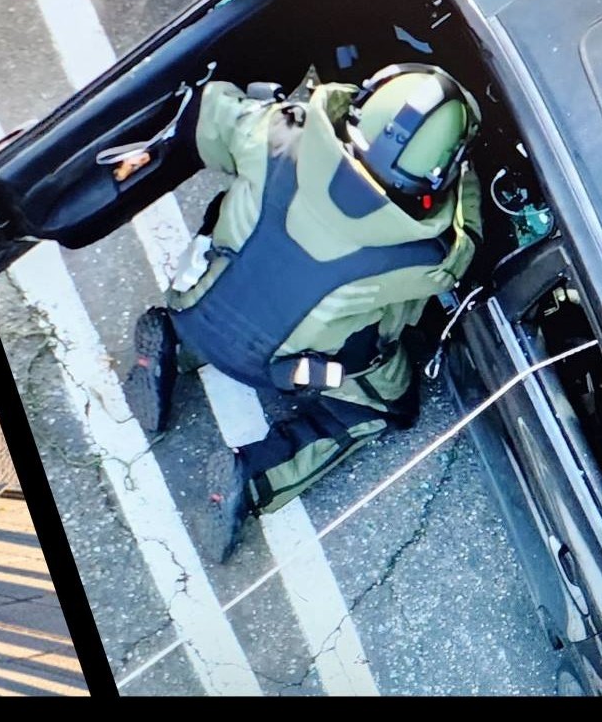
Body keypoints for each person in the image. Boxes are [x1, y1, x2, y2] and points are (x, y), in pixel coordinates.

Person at [128, 64, 481, 554]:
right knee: (388, 401)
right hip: (275, 368)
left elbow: (209, 115)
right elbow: (468, 242)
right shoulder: (425, 256)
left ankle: (172, 343)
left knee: (238, 241)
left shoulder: (276, 134)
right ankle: (251, 478)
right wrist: (464, 177)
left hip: (197, 303)